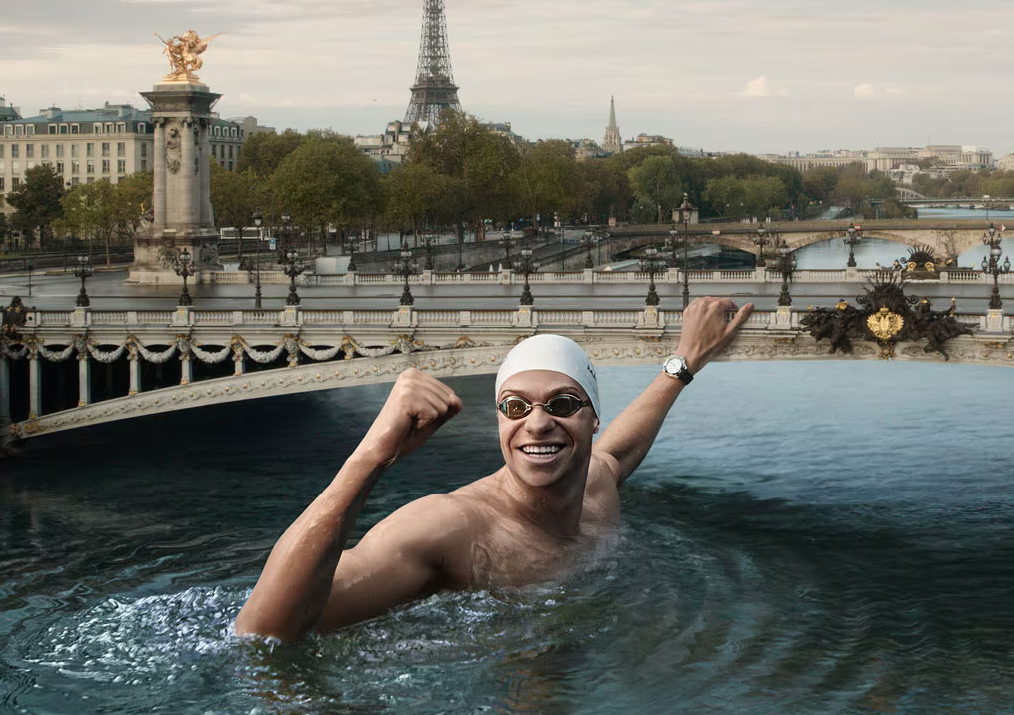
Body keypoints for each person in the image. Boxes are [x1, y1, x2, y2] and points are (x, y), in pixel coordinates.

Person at [235, 297, 754, 642]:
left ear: (593, 418)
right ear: (499, 423)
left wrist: (683, 363)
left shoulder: (596, 486)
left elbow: (619, 451)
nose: (539, 424)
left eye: (563, 403)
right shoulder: (449, 527)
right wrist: (372, 455)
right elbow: (265, 631)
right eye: (515, 407)